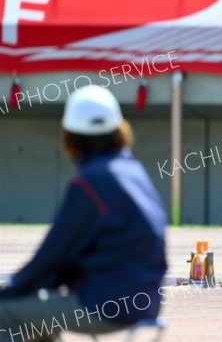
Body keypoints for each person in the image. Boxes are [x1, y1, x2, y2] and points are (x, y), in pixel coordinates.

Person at [0, 85, 168, 341]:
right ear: (119, 129)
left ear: (70, 135)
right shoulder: (132, 171)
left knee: (5, 311)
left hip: (105, 306)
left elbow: (54, 253)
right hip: (147, 300)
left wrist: (11, 289)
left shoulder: (91, 182)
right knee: (36, 309)